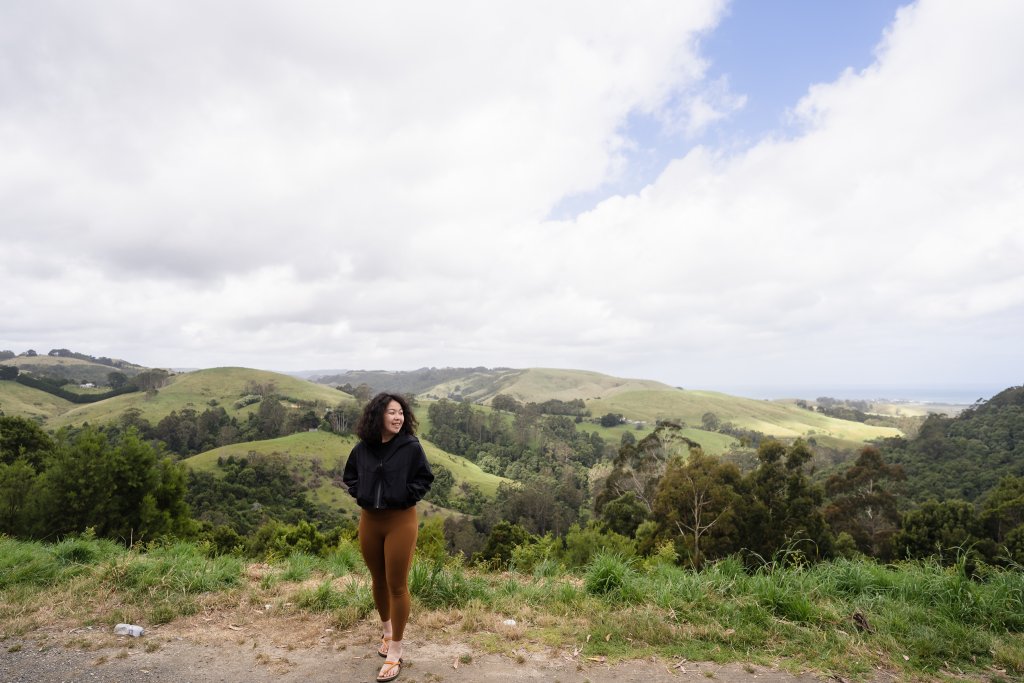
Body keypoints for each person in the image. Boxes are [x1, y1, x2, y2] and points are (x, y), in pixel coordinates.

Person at [342, 392, 434, 683]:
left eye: (401, 413)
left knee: (397, 585)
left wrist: (405, 496)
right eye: (392, 412)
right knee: (377, 580)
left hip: (400, 521)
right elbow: (350, 477)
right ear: (377, 416)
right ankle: (386, 632)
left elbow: (424, 478)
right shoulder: (363, 448)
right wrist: (362, 494)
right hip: (370, 520)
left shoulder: (410, 447)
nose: (398, 418)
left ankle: (395, 650)